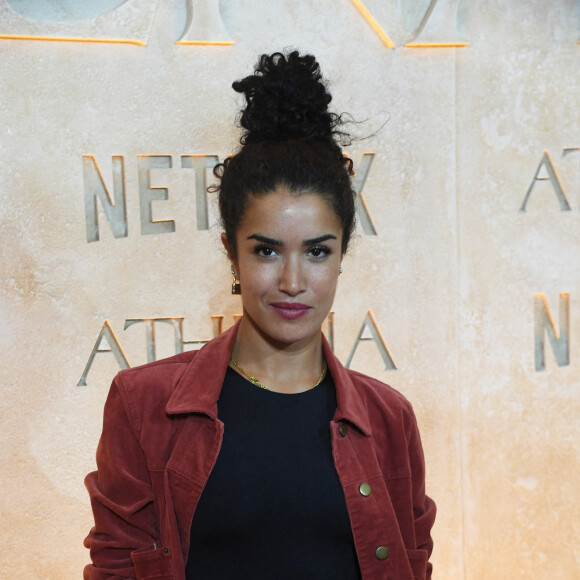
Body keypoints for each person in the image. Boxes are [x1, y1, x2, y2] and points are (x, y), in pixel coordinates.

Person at [84, 50, 436, 580]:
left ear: (344, 253)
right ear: (233, 253)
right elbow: (116, 567)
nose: (293, 282)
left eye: (317, 251)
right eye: (267, 251)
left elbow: (413, 565)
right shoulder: (144, 406)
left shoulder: (390, 420)